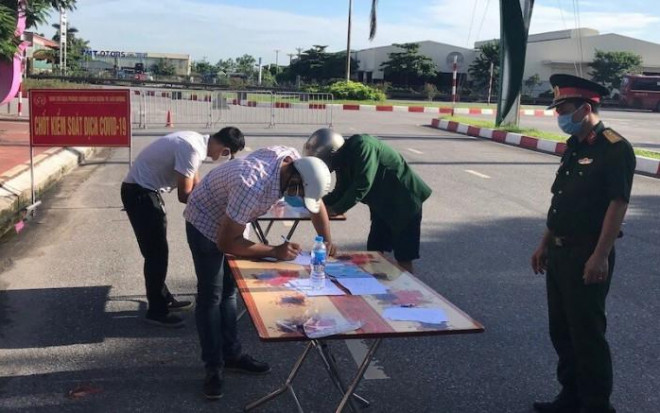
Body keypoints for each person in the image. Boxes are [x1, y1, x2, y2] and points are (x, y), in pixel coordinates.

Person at [183, 146, 336, 400]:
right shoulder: (252, 186)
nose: (299, 199)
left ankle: (232, 355)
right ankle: (213, 367)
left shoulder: (296, 164)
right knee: (212, 297)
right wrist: (275, 251)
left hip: (234, 218)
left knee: (229, 293)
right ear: (293, 178)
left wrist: (326, 240)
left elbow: (316, 206)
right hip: (205, 221)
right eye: (299, 192)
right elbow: (225, 242)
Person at [530, 74, 636, 413]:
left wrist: (600, 256)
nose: (558, 116)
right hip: (560, 251)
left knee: (587, 333)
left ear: (585, 109)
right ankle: (571, 396)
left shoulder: (615, 148)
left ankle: (596, 405)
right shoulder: (575, 145)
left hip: (587, 252)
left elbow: (617, 204)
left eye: (563, 109)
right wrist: (544, 243)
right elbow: (562, 201)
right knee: (562, 330)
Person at [121, 127, 245, 328]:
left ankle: (163, 298)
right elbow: (185, 195)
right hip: (140, 194)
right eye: (229, 155)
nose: (226, 159)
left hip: (143, 191)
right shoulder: (192, 149)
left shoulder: (196, 143)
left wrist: (216, 198)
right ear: (225, 150)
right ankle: (156, 311)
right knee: (156, 254)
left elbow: (198, 187)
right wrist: (218, 208)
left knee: (158, 252)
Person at [303, 129, 431, 273]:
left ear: (332, 153)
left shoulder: (363, 146)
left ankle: (407, 286)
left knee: (403, 257)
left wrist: (335, 209)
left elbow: (362, 185)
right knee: (374, 252)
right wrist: (316, 202)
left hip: (404, 202)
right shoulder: (342, 159)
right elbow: (340, 190)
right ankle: (378, 282)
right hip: (381, 205)